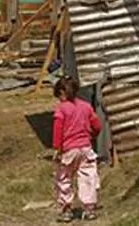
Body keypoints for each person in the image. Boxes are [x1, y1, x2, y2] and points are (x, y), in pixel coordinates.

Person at [52, 76, 102, 222]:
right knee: (88, 177)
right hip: (86, 148)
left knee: (64, 178)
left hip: (69, 150)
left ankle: (66, 209)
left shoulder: (62, 109)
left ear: (62, 92)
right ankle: (89, 208)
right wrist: (92, 135)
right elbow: (97, 125)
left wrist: (57, 148)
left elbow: (58, 130)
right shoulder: (86, 106)